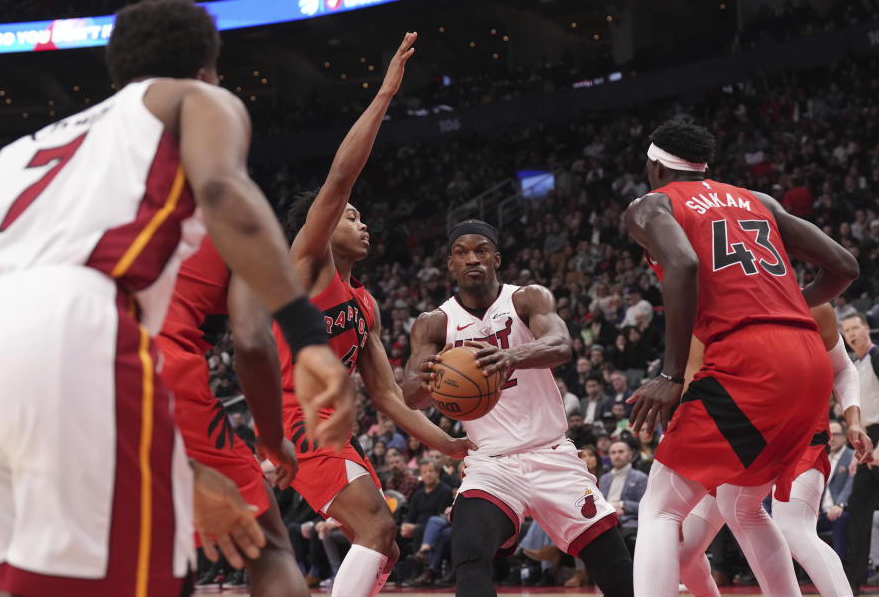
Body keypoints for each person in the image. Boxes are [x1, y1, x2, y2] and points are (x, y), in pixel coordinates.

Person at [0, 0, 351, 595]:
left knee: (47, 584)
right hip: (70, 319)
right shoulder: (195, 99)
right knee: (221, 559)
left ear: (115, 72)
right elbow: (222, 188)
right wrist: (308, 338)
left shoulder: (21, 150)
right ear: (208, 68)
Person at [624, 119, 859, 597]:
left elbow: (685, 263)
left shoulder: (651, 204)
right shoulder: (759, 200)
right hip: (808, 360)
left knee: (660, 508)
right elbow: (845, 266)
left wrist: (670, 373)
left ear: (653, 165)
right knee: (746, 508)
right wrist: (794, 301)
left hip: (750, 361)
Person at [276, 31, 473, 597]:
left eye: (362, 217)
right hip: (301, 427)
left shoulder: (366, 304)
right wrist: (386, 93)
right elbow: (339, 179)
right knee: (377, 525)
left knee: (385, 544)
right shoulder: (306, 267)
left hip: (339, 434)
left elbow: (387, 398)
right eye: (350, 217)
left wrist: (450, 445)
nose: (362, 224)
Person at [403, 219, 634, 597]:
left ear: (496, 258)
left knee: (612, 565)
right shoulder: (435, 323)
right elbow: (411, 396)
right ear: (450, 264)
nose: (472, 259)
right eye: (461, 253)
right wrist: (433, 374)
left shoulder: (527, 298)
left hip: (550, 453)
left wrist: (508, 357)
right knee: (469, 549)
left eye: (481, 251)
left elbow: (560, 344)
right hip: (490, 462)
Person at [677, 303, 873, 597]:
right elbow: (693, 380)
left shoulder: (812, 305)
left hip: (801, 436)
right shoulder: (716, 313)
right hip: (739, 441)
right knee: (684, 553)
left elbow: (843, 366)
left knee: (794, 528)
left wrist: (853, 418)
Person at [157, 236, 316, 596]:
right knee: (269, 548)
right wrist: (273, 439)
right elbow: (252, 343)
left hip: (52, 369)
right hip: (155, 367)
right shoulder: (231, 215)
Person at [840, 312, 879, 593]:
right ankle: (852, 584)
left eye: (855, 328)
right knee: (858, 513)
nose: (851, 334)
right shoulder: (855, 366)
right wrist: (854, 452)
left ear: (867, 328)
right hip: (866, 444)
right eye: (846, 330)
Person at [597, 439, 648, 553]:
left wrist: (622, 505)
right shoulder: (604, 479)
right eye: (613, 453)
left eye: (621, 452)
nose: (617, 456)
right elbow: (598, 504)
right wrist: (610, 509)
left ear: (630, 454)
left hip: (628, 523)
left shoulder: (641, 478)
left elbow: (645, 507)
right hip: (606, 521)